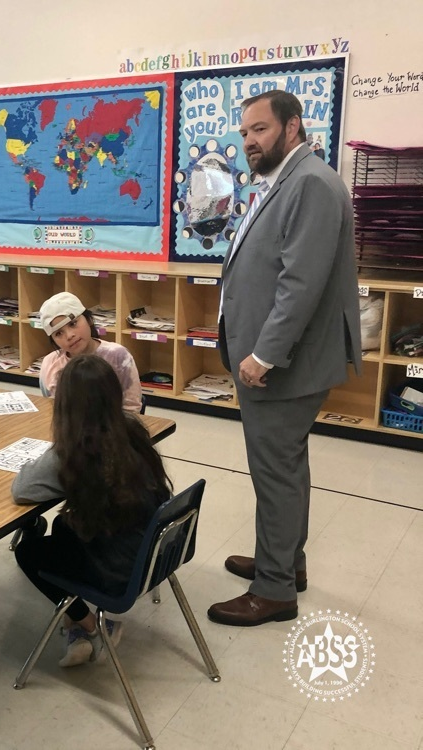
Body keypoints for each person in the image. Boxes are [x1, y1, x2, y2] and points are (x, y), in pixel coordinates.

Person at [210, 90, 361, 627]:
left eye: (261, 130)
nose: (249, 141)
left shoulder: (312, 184)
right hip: (277, 360)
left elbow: (301, 283)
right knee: (285, 467)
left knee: (274, 471)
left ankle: (273, 590)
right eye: (245, 131)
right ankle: (284, 563)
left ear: (292, 127)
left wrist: (263, 355)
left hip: (282, 365)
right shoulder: (286, 180)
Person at [13, 355, 172, 666]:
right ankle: (76, 631)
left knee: (28, 551)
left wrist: (60, 440)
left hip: (117, 572)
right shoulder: (132, 431)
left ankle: (93, 624)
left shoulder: (73, 452)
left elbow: (23, 489)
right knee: (62, 527)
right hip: (151, 552)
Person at [38, 291, 142, 413]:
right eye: (58, 333)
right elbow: (54, 411)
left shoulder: (118, 356)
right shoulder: (50, 363)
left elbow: (131, 408)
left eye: (73, 324)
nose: (69, 335)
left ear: (89, 320)